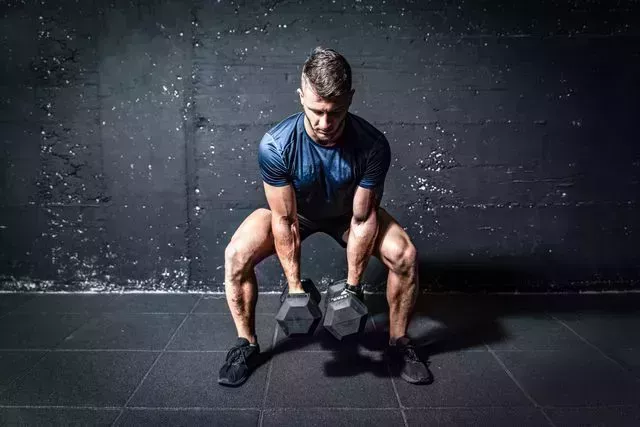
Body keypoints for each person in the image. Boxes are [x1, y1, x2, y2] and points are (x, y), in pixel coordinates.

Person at [218, 47, 432, 387]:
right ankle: (247, 344)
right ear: (301, 96)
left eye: (336, 112)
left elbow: (363, 220)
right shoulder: (276, 144)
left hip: (348, 216)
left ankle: (398, 342)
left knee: (404, 254)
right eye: (316, 111)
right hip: (294, 214)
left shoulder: (372, 145)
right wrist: (294, 287)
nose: (325, 123)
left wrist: (353, 288)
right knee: (236, 254)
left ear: (350, 98)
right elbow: (284, 220)